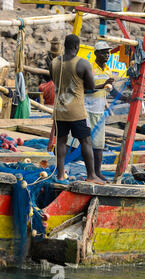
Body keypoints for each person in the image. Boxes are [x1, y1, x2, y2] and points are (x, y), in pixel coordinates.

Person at [50, 34, 105, 185]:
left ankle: (60, 174)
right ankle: (91, 175)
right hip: (76, 111)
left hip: (59, 109)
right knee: (86, 141)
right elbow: (92, 87)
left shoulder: (54, 62)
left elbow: (54, 80)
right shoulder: (82, 64)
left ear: (65, 46)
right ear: (76, 47)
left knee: (61, 141)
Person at [82, 41, 129, 181]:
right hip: (86, 111)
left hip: (99, 112)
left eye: (108, 52)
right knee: (81, 142)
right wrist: (103, 85)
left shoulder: (108, 70)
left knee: (98, 144)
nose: (106, 55)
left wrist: (126, 98)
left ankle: (97, 172)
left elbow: (111, 89)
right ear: (96, 53)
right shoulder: (89, 69)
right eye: (103, 52)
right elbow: (85, 89)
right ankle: (77, 169)